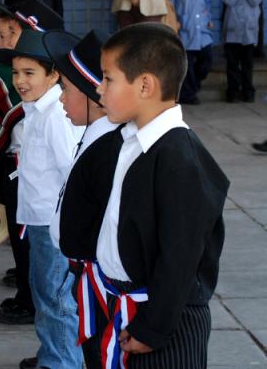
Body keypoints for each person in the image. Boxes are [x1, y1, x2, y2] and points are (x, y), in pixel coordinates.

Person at [60, 22, 229, 368]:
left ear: (145, 85)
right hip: (118, 306)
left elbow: (179, 259)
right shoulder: (125, 141)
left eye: (108, 79)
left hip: (167, 322)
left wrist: (153, 328)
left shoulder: (180, 161)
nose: (98, 88)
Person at [0, 0, 65, 328]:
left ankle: (31, 299)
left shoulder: (50, 97)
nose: (2, 39)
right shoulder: (17, 75)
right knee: (25, 242)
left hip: (37, 188)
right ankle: (27, 288)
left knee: (39, 257)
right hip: (18, 171)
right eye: (1, 33)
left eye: (12, 33)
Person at [0, 27, 84, 369]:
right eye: (16, 72)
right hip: (36, 221)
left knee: (56, 300)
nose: (20, 81)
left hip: (52, 226)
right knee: (43, 294)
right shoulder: (35, 111)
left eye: (30, 73)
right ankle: (52, 355)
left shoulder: (55, 117)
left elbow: (71, 174)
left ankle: (61, 362)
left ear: (53, 75)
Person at [41, 28, 118, 369]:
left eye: (66, 90)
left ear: (93, 95)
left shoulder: (108, 148)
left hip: (101, 283)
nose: (60, 98)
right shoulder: (94, 135)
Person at [169, 0, 212, 105]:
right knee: (189, 66)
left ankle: (194, 85)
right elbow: (171, 4)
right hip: (186, 30)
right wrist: (174, 21)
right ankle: (189, 94)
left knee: (207, 60)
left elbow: (207, 3)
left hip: (202, 30)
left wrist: (209, 19)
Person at [222, 0, 262, 103]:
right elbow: (228, 1)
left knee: (247, 65)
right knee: (232, 65)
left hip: (249, 34)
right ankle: (233, 92)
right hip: (232, 33)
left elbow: (255, 1)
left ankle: (248, 92)